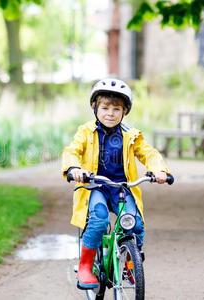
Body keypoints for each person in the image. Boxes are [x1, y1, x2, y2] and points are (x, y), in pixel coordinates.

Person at [61, 78, 171, 290]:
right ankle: (85, 265)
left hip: (121, 188)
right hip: (94, 186)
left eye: (116, 109)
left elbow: (149, 153)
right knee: (99, 220)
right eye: (105, 108)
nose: (110, 113)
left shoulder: (131, 135)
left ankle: (131, 263)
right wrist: (74, 169)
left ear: (125, 112)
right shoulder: (85, 132)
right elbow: (72, 151)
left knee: (135, 224)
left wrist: (160, 171)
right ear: (95, 108)